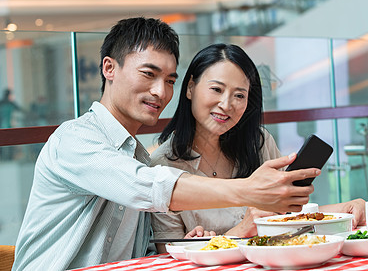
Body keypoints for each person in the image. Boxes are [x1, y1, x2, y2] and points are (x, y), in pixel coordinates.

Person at [12, 18, 320, 271]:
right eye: (148, 74)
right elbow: (146, 186)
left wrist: (196, 243)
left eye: (169, 80)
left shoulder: (137, 155)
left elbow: (153, 247)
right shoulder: (75, 140)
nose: (160, 91)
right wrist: (250, 190)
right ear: (109, 68)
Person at [150, 43, 365, 252]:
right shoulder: (163, 166)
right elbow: (167, 254)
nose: (226, 105)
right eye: (216, 89)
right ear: (190, 88)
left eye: (239, 95)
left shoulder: (258, 142)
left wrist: (341, 211)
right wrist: (240, 231)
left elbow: (285, 215)